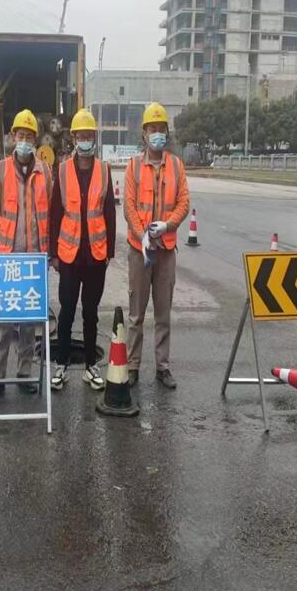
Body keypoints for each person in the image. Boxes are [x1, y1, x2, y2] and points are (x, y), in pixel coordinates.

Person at [0, 109, 52, 396]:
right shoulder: (0, 171)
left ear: (35, 141)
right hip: (5, 257)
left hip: (34, 258)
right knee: (2, 321)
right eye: (20, 135)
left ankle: (25, 373)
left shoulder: (44, 172)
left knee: (28, 320)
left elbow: (50, 213)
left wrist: (48, 255)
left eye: (29, 136)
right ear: (13, 138)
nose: (24, 141)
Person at [123, 102, 189, 389]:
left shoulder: (176, 165)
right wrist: (143, 235)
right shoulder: (134, 166)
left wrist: (167, 225)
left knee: (163, 312)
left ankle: (163, 366)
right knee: (136, 313)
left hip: (166, 251)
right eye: (153, 129)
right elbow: (129, 206)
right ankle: (133, 364)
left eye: (162, 129)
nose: (158, 134)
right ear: (145, 134)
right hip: (140, 251)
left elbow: (184, 202)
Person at [49, 109, 116, 391]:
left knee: (91, 312)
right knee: (66, 311)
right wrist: (53, 252)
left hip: (96, 256)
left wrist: (110, 250)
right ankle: (61, 365)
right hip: (69, 255)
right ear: (73, 138)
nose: (85, 140)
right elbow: (55, 213)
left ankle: (90, 365)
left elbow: (109, 212)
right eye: (81, 135)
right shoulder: (63, 170)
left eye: (89, 136)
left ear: (94, 139)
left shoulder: (104, 170)